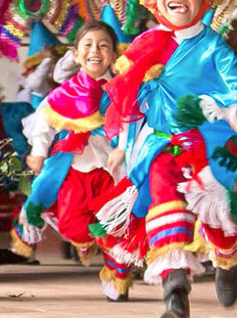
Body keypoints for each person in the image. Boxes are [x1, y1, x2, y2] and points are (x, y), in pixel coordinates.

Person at [94, 0, 237, 318]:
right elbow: (124, 101)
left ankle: (228, 256)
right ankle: (175, 290)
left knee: (217, 213)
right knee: (162, 192)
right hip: (160, 144)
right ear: (154, 0)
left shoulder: (213, 48)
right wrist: (124, 119)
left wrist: (220, 110)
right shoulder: (144, 45)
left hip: (208, 142)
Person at [10, 21, 140, 301]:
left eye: (104, 45)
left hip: (111, 169)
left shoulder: (122, 91)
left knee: (115, 224)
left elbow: (134, 121)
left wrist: (125, 147)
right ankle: (84, 243)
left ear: (113, 54)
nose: (96, 51)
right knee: (72, 225)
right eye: (88, 45)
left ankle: (117, 278)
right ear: (78, 54)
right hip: (73, 169)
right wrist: (39, 152)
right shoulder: (65, 92)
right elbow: (45, 123)